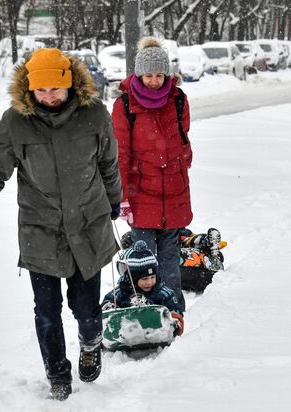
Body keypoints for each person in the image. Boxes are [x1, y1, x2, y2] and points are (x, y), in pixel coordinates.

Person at [0, 48, 122, 401]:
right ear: (30, 88)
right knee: (46, 310)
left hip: (88, 226)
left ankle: (91, 344)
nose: (49, 97)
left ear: (69, 84)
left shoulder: (94, 116)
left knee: (87, 312)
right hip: (40, 230)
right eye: (41, 91)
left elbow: (108, 162)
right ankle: (58, 374)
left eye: (55, 90)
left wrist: (114, 198)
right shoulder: (15, 123)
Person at [112, 36, 193, 311]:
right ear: (138, 73)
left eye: (160, 75)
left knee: (170, 259)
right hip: (140, 193)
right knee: (142, 259)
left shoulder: (178, 99)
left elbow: (183, 140)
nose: (155, 81)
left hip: (174, 191)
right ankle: (138, 310)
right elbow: (120, 154)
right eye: (148, 75)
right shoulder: (124, 106)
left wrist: (181, 166)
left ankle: (173, 310)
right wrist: (122, 196)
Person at [102, 240, 184, 335]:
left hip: (157, 333)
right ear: (133, 278)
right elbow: (106, 304)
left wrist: (174, 320)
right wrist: (109, 308)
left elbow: (176, 312)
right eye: (144, 278)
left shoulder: (163, 292)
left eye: (153, 277)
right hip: (126, 334)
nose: (149, 282)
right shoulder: (122, 292)